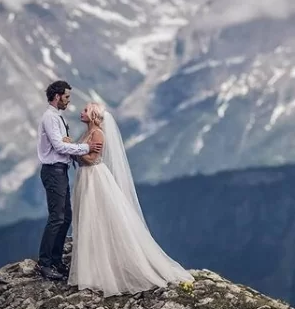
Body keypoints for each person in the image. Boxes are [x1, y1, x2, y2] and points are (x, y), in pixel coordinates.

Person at [66, 102, 194, 296]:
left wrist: (73, 150)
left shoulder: (98, 134)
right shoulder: (87, 134)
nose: (81, 112)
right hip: (86, 178)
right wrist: (76, 149)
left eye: (85, 110)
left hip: (94, 179)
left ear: (93, 115)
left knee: (95, 219)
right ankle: (92, 269)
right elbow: (84, 154)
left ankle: (101, 270)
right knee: (88, 220)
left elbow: (92, 159)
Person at [37, 81, 103, 280]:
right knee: (57, 217)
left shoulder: (57, 117)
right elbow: (58, 146)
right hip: (53, 171)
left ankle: (56, 260)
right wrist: (85, 148)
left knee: (65, 218)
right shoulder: (50, 118)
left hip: (60, 171)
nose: (68, 101)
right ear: (57, 96)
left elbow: (63, 145)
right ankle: (45, 263)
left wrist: (73, 145)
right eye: (66, 97)